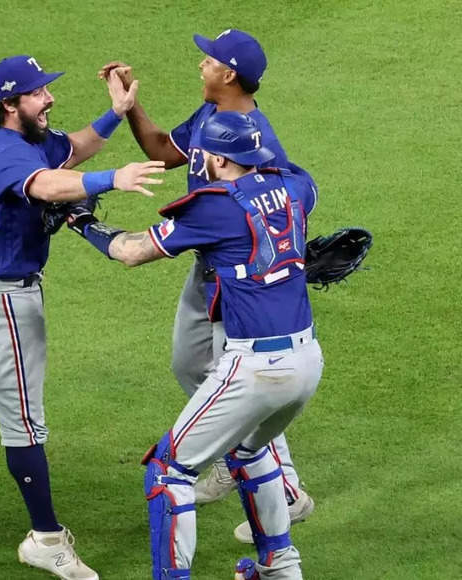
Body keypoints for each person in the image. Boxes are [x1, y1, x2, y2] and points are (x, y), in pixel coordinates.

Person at [0, 55, 164, 580]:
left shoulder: (25, 136)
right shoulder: (5, 153)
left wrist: (116, 112)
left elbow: (71, 150)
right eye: (39, 93)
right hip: (1, 299)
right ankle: (45, 539)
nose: (50, 98)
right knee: (24, 421)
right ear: (10, 104)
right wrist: (113, 178)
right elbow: (46, 187)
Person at [65, 111, 322, 579]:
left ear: (217, 158)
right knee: (249, 448)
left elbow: (132, 251)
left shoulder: (215, 206)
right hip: (308, 361)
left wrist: (80, 221)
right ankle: (281, 569)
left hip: (257, 369)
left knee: (167, 471)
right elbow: (286, 213)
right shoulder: (297, 187)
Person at [98, 28, 314, 543]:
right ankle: (228, 454)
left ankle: (286, 490)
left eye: (208, 60)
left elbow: (281, 202)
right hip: (205, 266)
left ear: (229, 74)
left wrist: (279, 259)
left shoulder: (254, 136)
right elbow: (157, 148)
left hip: (238, 282)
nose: (201, 65)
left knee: (238, 380)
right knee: (189, 364)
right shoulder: (208, 118)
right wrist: (129, 106)